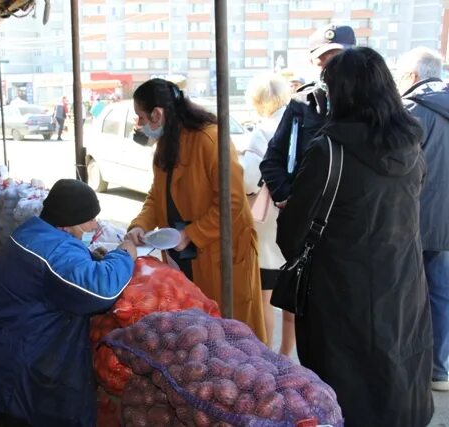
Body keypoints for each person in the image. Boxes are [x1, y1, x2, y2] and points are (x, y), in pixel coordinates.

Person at [277, 47, 434, 427]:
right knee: (398, 379)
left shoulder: (329, 150)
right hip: (404, 288)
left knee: (345, 398)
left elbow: (291, 236)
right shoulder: (411, 144)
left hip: (340, 299)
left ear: (341, 93)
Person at [0, 179, 137, 427]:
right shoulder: (56, 251)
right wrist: (124, 254)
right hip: (16, 363)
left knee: (7, 410)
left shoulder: (33, 231)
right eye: (90, 219)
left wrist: (91, 258)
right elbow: (102, 290)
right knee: (23, 412)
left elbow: (59, 270)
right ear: (69, 223)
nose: (96, 225)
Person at [125, 78, 266, 343]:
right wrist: (139, 225)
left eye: (141, 117)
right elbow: (158, 195)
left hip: (221, 253)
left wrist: (190, 234)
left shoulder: (209, 138)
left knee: (234, 336)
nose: (139, 125)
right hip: (185, 254)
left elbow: (232, 201)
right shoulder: (167, 142)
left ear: (157, 114)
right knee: (202, 335)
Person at [397, 47, 449, 392]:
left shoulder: (413, 111)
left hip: (415, 220)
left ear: (413, 76)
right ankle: (439, 369)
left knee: (408, 293)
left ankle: (413, 368)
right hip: (444, 221)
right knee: (442, 291)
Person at [260, 24, 356, 207]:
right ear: (313, 63)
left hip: (354, 220)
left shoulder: (374, 104)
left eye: (338, 60)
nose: (330, 69)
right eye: (323, 63)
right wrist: (289, 198)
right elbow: (271, 160)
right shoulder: (301, 104)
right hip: (308, 221)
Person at [241, 74, 295, 356]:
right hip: (298, 221)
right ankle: (287, 356)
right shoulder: (302, 124)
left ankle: (267, 356)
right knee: (291, 304)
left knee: (265, 300)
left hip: (267, 225)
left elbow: (250, 178)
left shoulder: (262, 131)